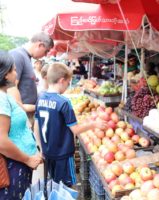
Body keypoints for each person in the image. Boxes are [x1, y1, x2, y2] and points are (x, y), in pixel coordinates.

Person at [34, 63, 107, 187]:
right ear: (62, 81)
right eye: (68, 83)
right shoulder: (64, 102)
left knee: (55, 184)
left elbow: (36, 126)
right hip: (63, 154)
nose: (68, 86)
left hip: (48, 152)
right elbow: (75, 129)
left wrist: (41, 149)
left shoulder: (40, 99)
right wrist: (94, 124)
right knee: (66, 188)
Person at [0, 51, 42, 199]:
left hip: (18, 165)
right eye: (14, 69)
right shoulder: (1, 99)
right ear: (5, 74)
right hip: (13, 167)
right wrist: (27, 159)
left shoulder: (6, 96)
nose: (17, 73)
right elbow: (1, 141)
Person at [9, 32, 54, 123]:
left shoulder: (26, 57)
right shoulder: (18, 55)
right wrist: (22, 112)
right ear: (40, 45)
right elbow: (11, 88)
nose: (45, 55)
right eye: (46, 51)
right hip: (21, 115)